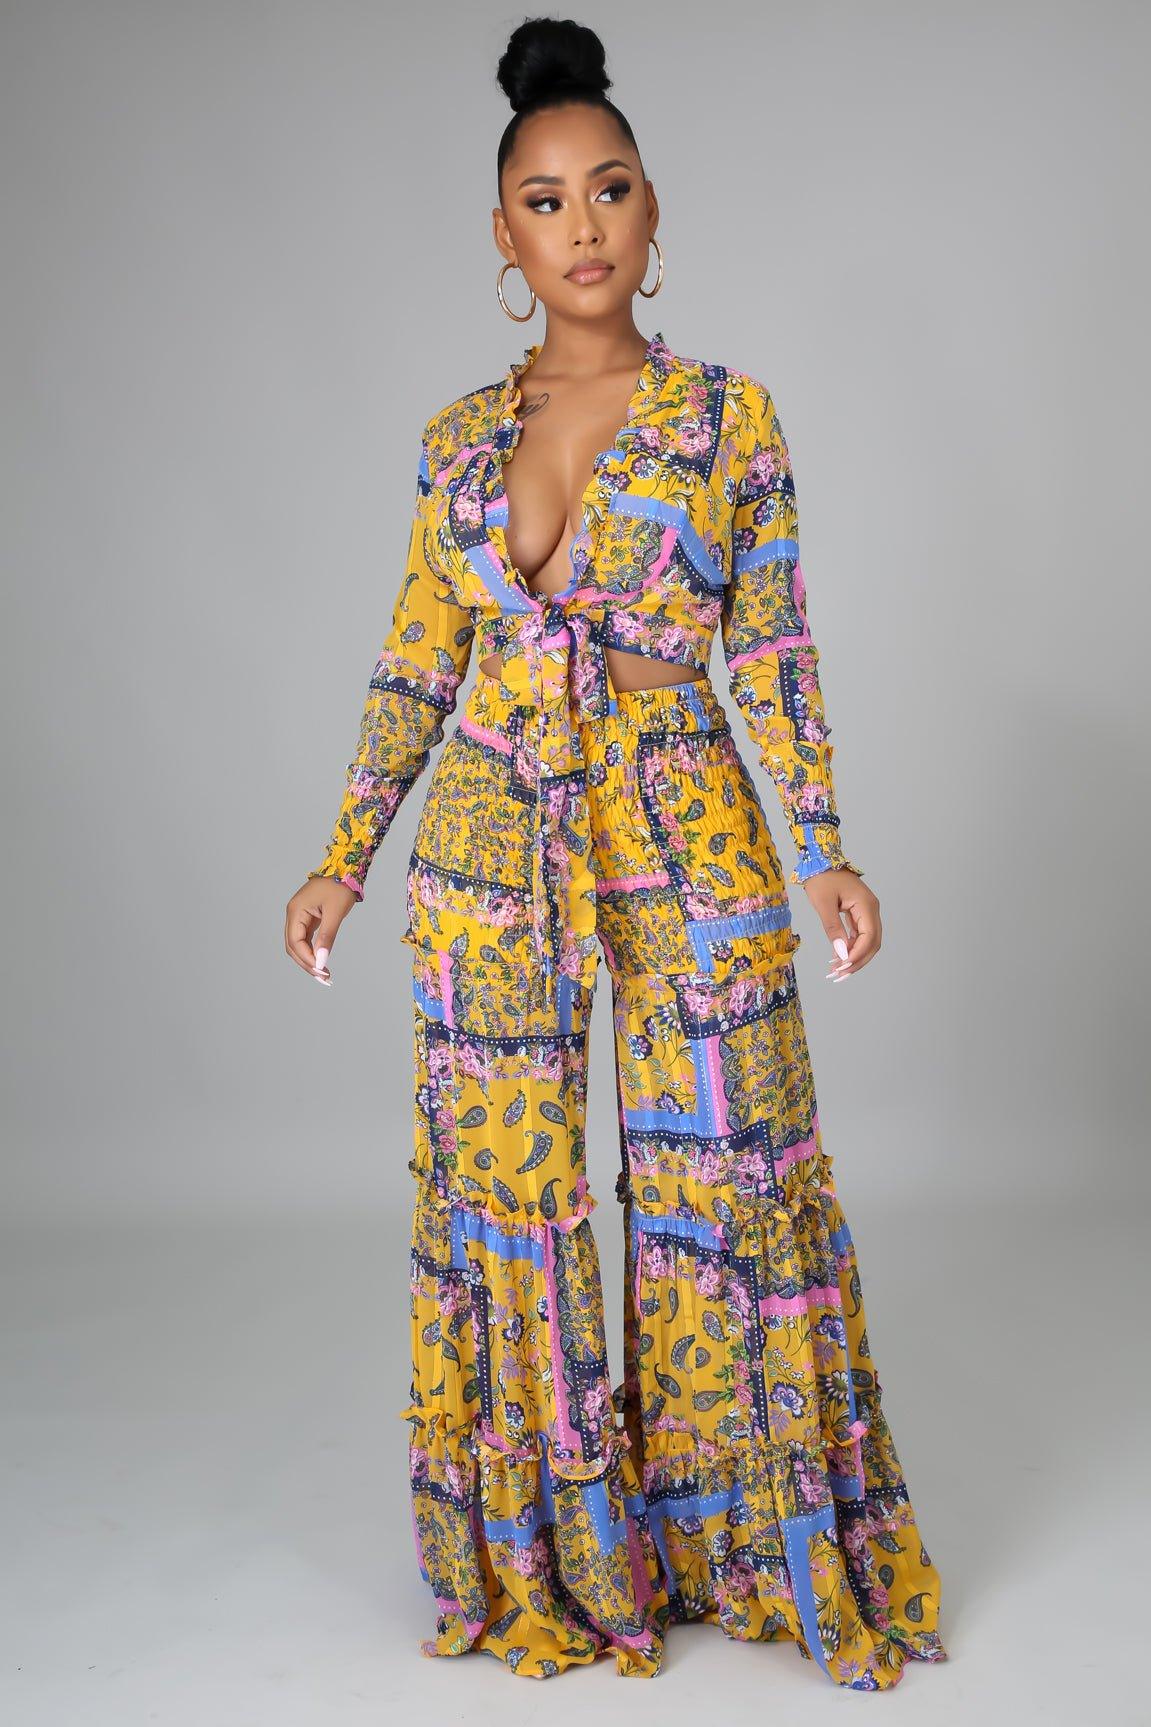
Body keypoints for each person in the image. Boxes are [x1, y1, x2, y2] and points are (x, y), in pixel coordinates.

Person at [284, 14, 948, 1691]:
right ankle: (549, 1558)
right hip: (493, 842)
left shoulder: (727, 418)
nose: (581, 225)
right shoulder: (454, 439)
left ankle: (749, 1544)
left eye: (611, 188)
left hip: (684, 817)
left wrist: (825, 847)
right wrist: (345, 856)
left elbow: (773, 645)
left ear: (654, 210)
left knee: (731, 1175)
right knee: (507, 1197)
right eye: (545, 201)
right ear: (504, 241)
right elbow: (417, 661)